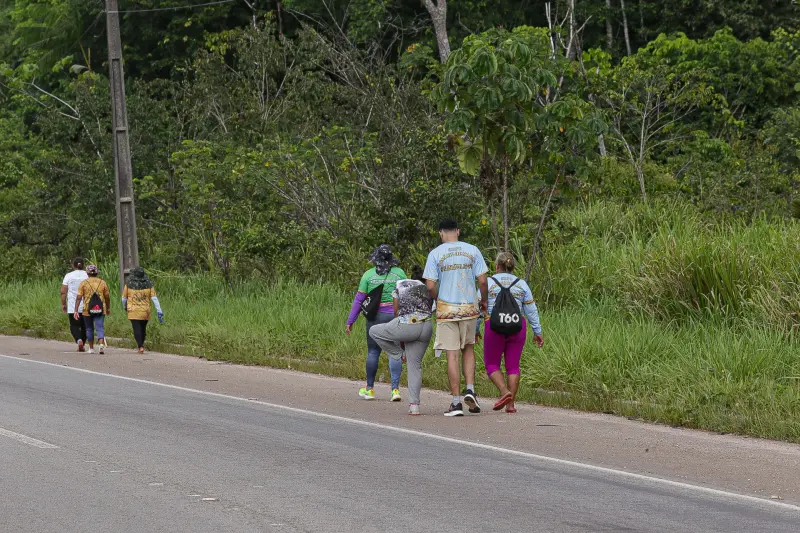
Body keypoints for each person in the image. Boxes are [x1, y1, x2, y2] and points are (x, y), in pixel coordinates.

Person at [423, 220, 488, 417]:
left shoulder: (436, 254)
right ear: (458, 231)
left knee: (452, 354)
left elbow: (430, 286)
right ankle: (470, 389)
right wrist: (483, 300)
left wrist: (438, 298)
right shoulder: (472, 250)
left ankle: (456, 402)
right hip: (470, 308)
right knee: (468, 348)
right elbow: (483, 280)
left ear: (441, 233)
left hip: (447, 310)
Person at [478, 252, 544, 414]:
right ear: (513, 267)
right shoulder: (521, 284)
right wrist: (537, 331)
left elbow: (479, 308)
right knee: (513, 366)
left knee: (492, 364)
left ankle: (504, 391)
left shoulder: (488, 283)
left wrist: (475, 329)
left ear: (497, 266)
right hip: (517, 326)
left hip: (494, 326)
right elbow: (531, 309)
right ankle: (511, 405)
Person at [368, 266, 433, 415]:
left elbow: (396, 310)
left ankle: (397, 354)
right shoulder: (430, 288)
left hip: (407, 323)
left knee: (374, 331)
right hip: (427, 327)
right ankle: (414, 405)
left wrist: (399, 335)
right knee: (415, 366)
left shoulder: (401, 284)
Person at [345, 245, 407, 401]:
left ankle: (370, 389)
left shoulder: (368, 275)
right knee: (395, 352)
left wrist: (350, 321)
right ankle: (395, 391)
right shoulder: (399, 274)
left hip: (374, 318)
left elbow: (359, 300)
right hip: (394, 317)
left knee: (373, 352)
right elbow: (406, 297)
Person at [122, 267, 164, 354]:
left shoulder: (129, 284)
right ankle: (142, 345)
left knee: (136, 328)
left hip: (133, 310)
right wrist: (159, 310)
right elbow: (154, 298)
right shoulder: (149, 283)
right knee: (143, 328)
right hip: (145, 311)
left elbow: (123, 298)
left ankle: (140, 346)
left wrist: (125, 307)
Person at [74, 264, 111, 354]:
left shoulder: (84, 283)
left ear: (87, 273)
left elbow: (79, 297)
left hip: (87, 309)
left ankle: (91, 348)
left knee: (89, 328)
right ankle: (101, 344)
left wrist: (76, 310)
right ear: (96, 273)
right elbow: (107, 297)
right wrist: (108, 308)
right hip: (100, 308)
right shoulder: (102, 282)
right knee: (100, 327)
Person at [61, 257, 88, 352]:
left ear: (73, 266)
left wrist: (64, 304)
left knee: (74, 326)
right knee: (85, 326)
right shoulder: (87, 275)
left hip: (73, 306)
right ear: (83, 265)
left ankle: (79, 340)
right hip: (86, 306)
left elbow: (63, 291)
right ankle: (83, 343)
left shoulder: (69, 276)